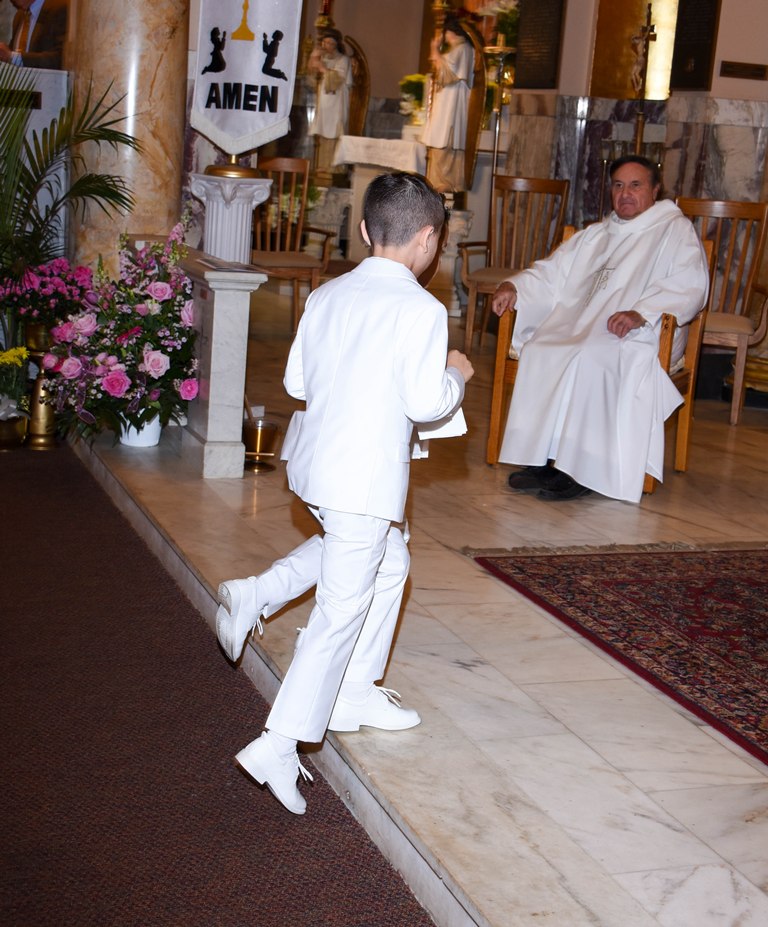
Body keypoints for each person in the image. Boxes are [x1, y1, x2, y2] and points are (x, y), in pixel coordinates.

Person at [215, 172, 474, 815]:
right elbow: (425, 402)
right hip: (363, 482)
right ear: (429, 240)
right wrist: (455, 375)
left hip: (316, 468)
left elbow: (297, 383)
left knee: (390, 562)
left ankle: (346, 683)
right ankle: (279, 743)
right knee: (339, 613)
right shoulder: (422, 309)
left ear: (362, 229)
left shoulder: (327, 293)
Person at [491, 155, 709, 504]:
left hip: (643, 331)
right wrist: (514, 286)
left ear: (655, 190)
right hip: (583, 325)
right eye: (618, 185)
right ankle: (546, 458)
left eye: (635, 185)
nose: (625, 193)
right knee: (543, 348)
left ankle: (583, 470)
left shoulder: (674, 230)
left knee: (592, 356)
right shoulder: (595, 235)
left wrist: (641, 312)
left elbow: (690, 283)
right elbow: (551, 273)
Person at [420, 15, 474, 194]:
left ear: (450, 32)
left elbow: (446, 75)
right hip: (448, 102)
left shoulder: (462, 49)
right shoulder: (462, 49)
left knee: (444, 140)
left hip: (451, 104)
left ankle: (445, 183)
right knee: (441, 142)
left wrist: (435, 50)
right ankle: (439, 183)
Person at [307, 27, 352, 174]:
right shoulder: (323, 59)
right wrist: (313, 61)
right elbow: (312, 80)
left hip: (337, 102)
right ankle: (321, 165)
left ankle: (334, 167)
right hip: (324, 103)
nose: (328, 47)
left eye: (331, 44)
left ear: (337, 44)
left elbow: (338, 80)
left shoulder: (343, 59)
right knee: (323, 131)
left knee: (334, 131)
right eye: (325, 43)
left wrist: (323, 68)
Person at [0, 0, 68, 70]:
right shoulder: (19, 15)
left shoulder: (60, 8)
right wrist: (4, 55)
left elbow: (61, 58)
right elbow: (12, 54)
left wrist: (12, 57)